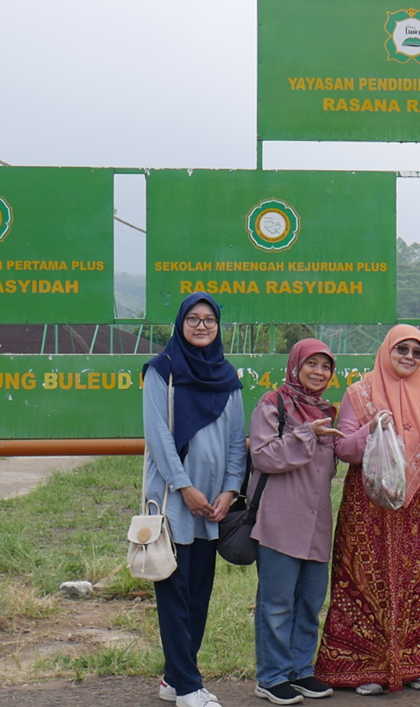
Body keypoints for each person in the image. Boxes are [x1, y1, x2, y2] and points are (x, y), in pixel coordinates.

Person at [314, 325, 420, 695]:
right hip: (369, 505)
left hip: (417, 507)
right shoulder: (359, 394)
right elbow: (344, 449)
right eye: (402, 349)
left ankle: (416, 663)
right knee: (361, 583)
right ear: (386, 350)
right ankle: (362, 668)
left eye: (416, 352)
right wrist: (371, 430)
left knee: (416, 582)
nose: (409, 357)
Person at [144, 292, 246, 707]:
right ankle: (188, 687)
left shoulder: (227, 376)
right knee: (173, 591)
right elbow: (158, 436)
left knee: (199, 594)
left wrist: (229, 491)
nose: (201, 326)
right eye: (193, 318)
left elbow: (237, 442)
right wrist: (185, 486)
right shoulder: (162, 370)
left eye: (209, 320)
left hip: (212, 507)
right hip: (173, 502)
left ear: (218, 326)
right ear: (180, 323)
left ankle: (173, 678)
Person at [248, 339, 346, 705]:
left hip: (317, 521)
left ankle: (301, 671)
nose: (319, 372)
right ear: (296, 365)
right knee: (276, 603)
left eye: (325, 366)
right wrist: (308, 433)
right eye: (312, 364)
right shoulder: (273, 404)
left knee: (309, 602)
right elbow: (263, 456)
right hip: (280, 520)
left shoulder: (326, 411)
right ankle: (271, 677)